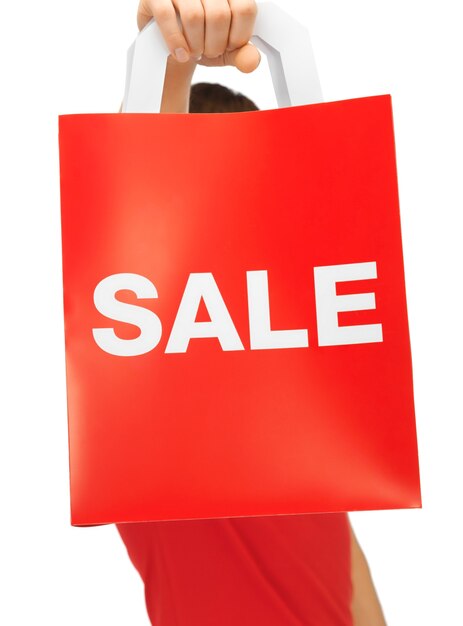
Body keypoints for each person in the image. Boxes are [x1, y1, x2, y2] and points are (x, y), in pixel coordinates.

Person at [117, 2, 388, 624]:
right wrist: (172, 63)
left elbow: (346, 566)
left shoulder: (300, 403)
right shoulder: (153, 377)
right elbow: (138, 227)